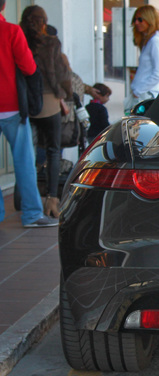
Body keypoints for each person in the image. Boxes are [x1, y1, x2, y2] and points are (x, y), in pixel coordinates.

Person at [0, 0, 57, 228]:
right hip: (13, 107)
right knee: (24, 161)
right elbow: (29, 68)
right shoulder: (11, 31)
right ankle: (32, 215)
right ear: (4, 6)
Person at [21, 5, 72, 219]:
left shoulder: (20, 41)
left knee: (26, 153)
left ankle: (26, 197)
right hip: (49, 102)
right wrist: (64, 97)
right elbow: (57, 74)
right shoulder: (51, 43)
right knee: (53, 151)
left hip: (24, 103)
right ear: (43, 22)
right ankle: (52, 199)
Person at [126, 5, 159, 114]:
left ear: (150, 20)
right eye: (135, 19)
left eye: (140, 19)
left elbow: (158, 73)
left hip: (147, 95)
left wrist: (139, 90)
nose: (136, 23)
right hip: (143, 94)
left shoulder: (155, 41)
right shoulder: (148, 41)